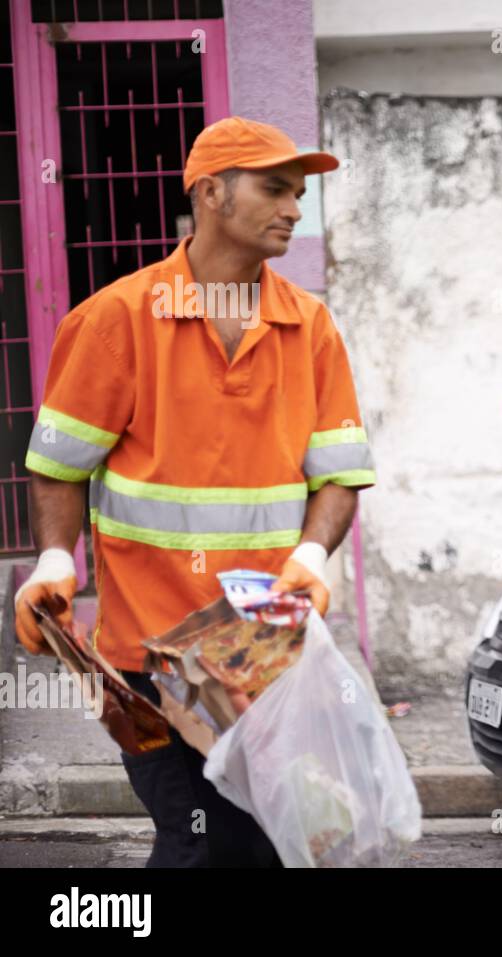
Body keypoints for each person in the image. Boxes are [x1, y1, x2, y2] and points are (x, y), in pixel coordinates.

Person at [14, 116, 376, 867]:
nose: (294, 208)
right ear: (211, 192)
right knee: (196, 842)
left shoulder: (310, 328)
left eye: (299, 193)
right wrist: (55, 561)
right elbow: (59, 465)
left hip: (264, 649)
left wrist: (312, 554)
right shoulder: (116, 320)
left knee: (276, 841)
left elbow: (338, 475)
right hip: (142, 666)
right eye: (275, 189)